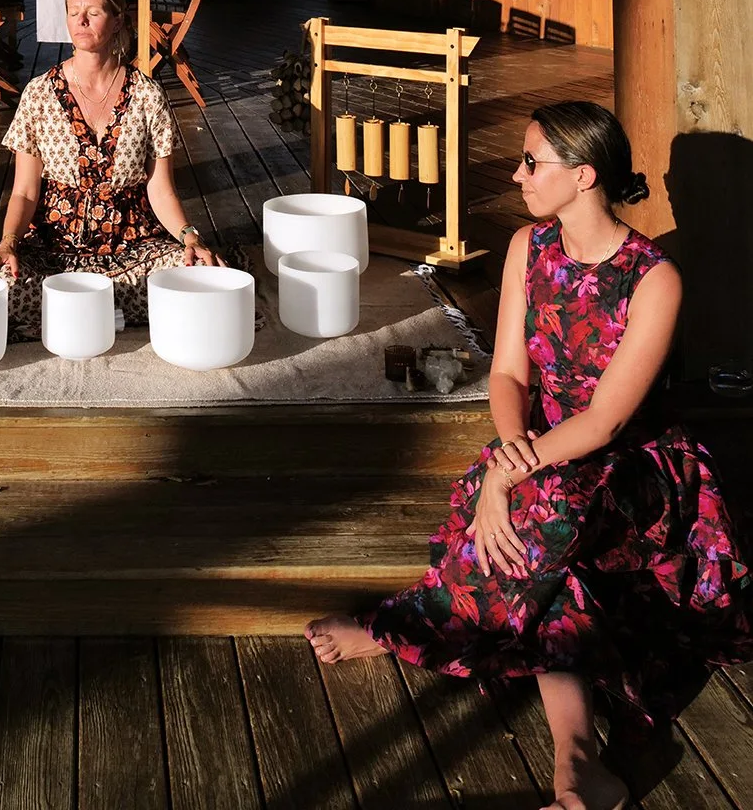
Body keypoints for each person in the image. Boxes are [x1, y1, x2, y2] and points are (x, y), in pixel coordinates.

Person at [307, 101, 753, 810]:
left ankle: (400, 628)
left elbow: (606, 420)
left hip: (637, 464)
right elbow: (509, 373)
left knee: (540, 516)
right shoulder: (528, 246)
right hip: (543, 446)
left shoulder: (653, 277)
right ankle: (578, 766)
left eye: (530, 162)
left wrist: (503, 472)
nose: (516, 175)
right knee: (549, 556)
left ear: (583, 175)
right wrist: (508, 455)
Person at [0, 0, 224, 337]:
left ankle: (79, 316)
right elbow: (25, 191)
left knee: (203, 279)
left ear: (118, 20)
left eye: (93, 12)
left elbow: (160, 189)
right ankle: (108, 313)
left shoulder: (148, 95)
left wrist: (189, 236)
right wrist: (7, 244)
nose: (82, 21)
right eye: (74, 12)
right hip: (54, 250)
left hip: (134, 246)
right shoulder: (39, 93)